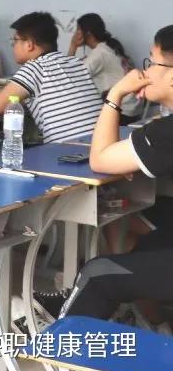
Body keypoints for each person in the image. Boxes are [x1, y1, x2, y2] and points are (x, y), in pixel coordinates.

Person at [33, 26, 173, 323]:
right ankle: (155, 327)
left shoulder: (166, 134)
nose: (143, 71)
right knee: (142, 243)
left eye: (151, 62)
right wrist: (134, 160)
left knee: (97, 273)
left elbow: (100, 159)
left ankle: (62, 342)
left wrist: (115, 94)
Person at [0, 12, 103, 143]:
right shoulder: (75, 63)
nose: (13, 45)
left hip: (70, 150)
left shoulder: (34, 68)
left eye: (15, 41)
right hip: (105, 145)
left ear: (29, 44)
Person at [70, 13, 140, 120]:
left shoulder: (99, 53)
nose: (75, 34)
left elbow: (71, 78)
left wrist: (73, 46)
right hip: (133, 108)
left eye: (78, 30)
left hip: (121, 111)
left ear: (88, 33)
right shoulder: (110, 46)